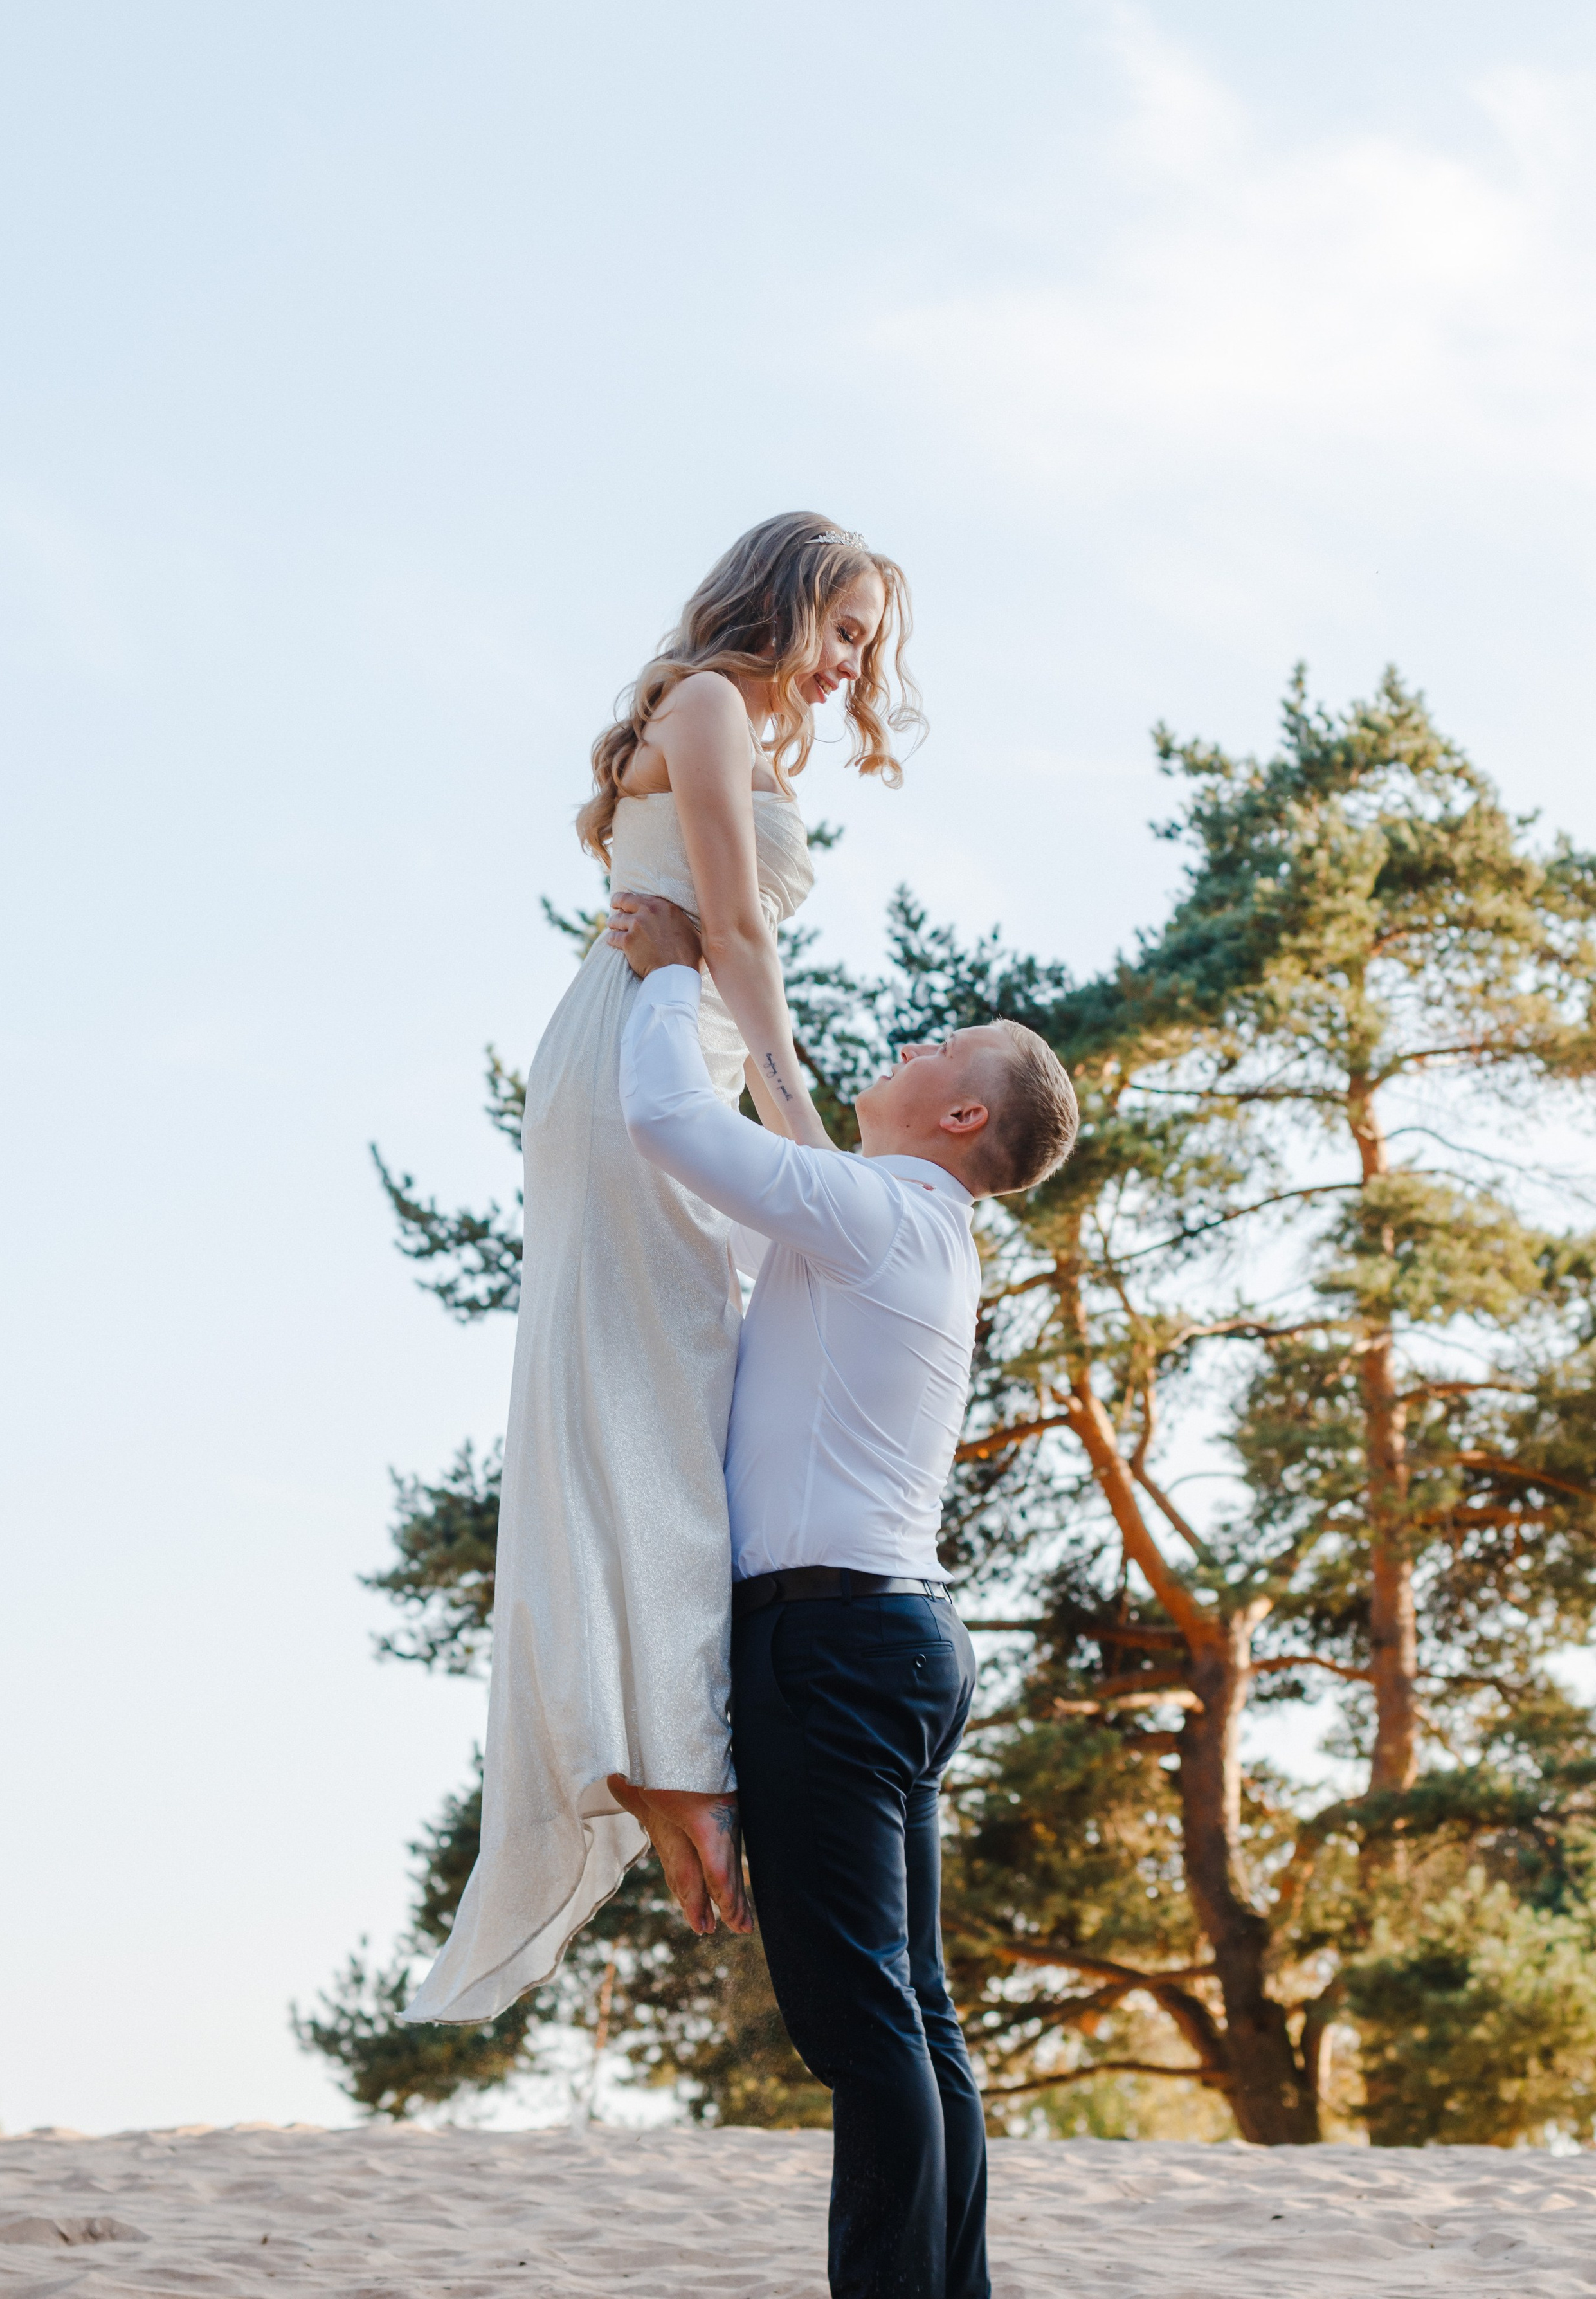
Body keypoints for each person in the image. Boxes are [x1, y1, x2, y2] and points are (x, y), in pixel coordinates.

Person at [404, 514, 918, 2024]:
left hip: (665, 1052)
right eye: (844, 630)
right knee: (649, 1393)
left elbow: (716, 939)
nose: (851, 668)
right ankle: (659, 1764)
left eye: (869, 647)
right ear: (786, 602)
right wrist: (809, 1134)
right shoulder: (703, 701)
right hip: (640, 1065)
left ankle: (660, 1760)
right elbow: (738, 931)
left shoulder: (719, 722)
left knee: (675, 1392)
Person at [610, 891, 1079, 2299]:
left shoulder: (880, 1222)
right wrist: (762, 1044)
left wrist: (662, 984)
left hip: (827, 1642)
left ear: (958, 1122)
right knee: (912, 2011)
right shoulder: (898, 1232)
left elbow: (671, 1134)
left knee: (860, 2024)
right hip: (888, 1638)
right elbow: (769, 1179)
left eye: (951, 1042)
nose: (922, 1040)